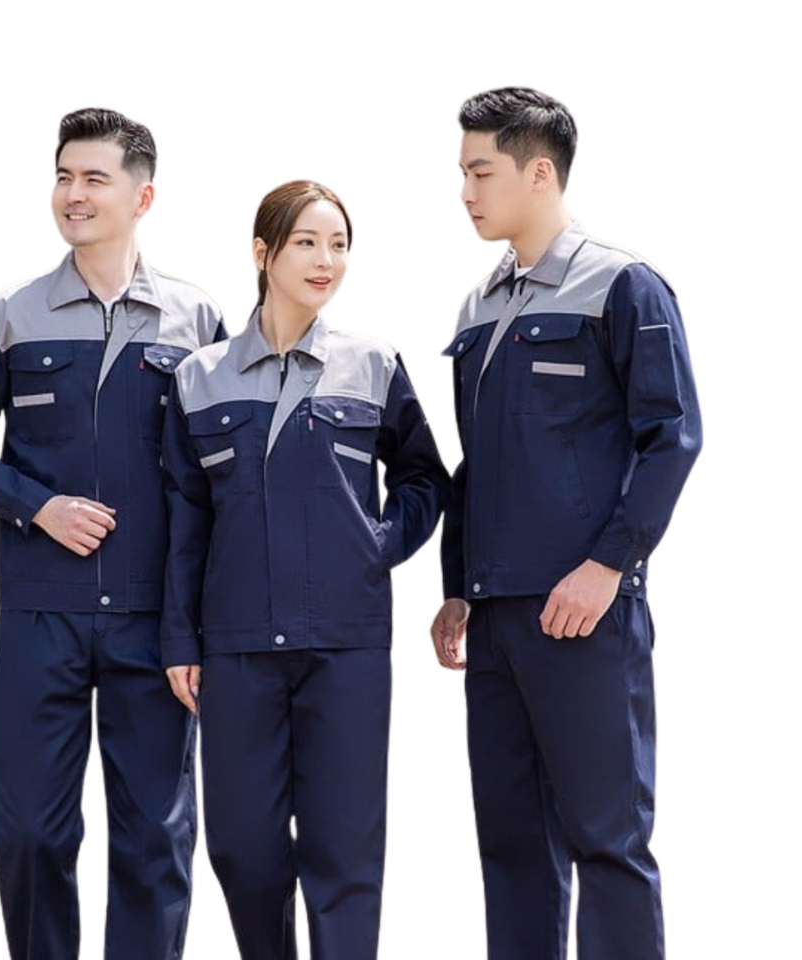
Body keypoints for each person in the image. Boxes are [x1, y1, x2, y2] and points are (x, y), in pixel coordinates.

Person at [0, 108, 224, 959]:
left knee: (155, 839)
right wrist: (36, 505)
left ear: (143, 197)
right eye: (63, 176)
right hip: (41, 613)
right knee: (29, 830)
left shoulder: (196, 320)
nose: (73, 194)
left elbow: (225, 473)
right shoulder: (10, 315)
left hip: (155, 619)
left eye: (95, 178)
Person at [430, 87, 702, 960]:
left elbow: (673, 438)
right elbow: (477, 462)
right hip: (496, 615)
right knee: (513, 849)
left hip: (583, 615)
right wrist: (457, 586)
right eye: (463, 172)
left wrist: (609, 566)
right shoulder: (478, 306)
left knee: (607, 840)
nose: (465, 191)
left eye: (481, 172)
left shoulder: (621, 286)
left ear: (539, 172)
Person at [162, 180, 448, 960]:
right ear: (263, 253)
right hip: (237, 644)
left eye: (340, 245)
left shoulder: (373, 364)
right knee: (240, 846)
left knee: (343, 850)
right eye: (307, 243)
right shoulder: (200, 377)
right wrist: (180, 639)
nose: (327, 261)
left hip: (345, 644)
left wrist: (377, 546)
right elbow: (186, 517)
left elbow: (424, 478)